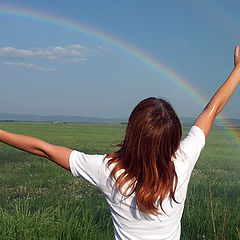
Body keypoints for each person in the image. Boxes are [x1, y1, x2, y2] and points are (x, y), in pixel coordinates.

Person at [0, 46, 240, 240]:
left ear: (132, 132)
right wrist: (238, 69)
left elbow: (45, 149)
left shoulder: (109, 170)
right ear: (173, 137)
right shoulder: (183, 160)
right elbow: (212, 109)